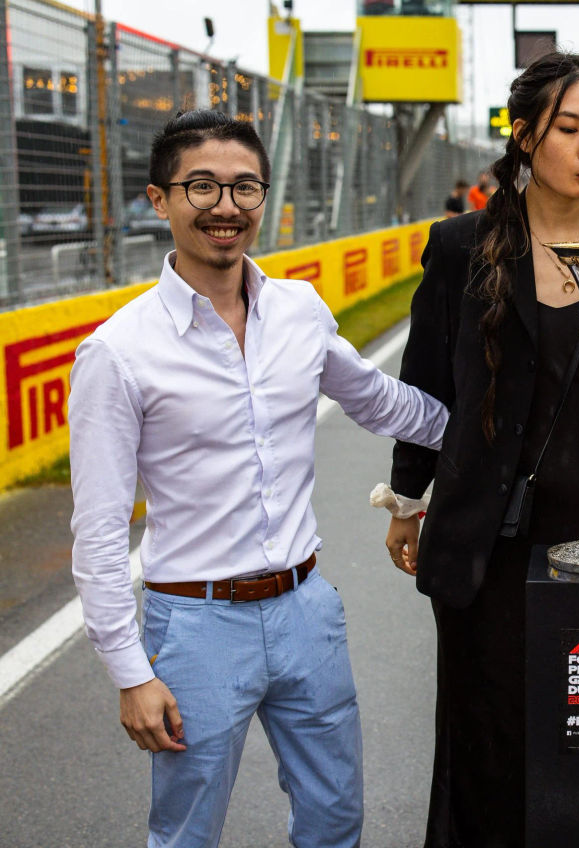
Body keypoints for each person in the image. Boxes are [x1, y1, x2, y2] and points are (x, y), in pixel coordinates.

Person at [67, 110, 449, 846]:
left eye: (245, 187)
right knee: (187, 833)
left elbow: (379, 399)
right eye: (201, 186)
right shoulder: (117, 352)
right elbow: (100, 530)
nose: (225, 207)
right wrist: (129, 672)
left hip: (306, 612)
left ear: (264, 198)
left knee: (336, 816)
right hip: (195, 627)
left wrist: (491, 436)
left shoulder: (299, 311)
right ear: (160, 199)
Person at [383, 52, 579, 847]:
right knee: (488, 746)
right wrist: (408, 500)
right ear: (524, 134)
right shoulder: (461, 245)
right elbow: (426, 386)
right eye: (568, 128)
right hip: (488, 541)